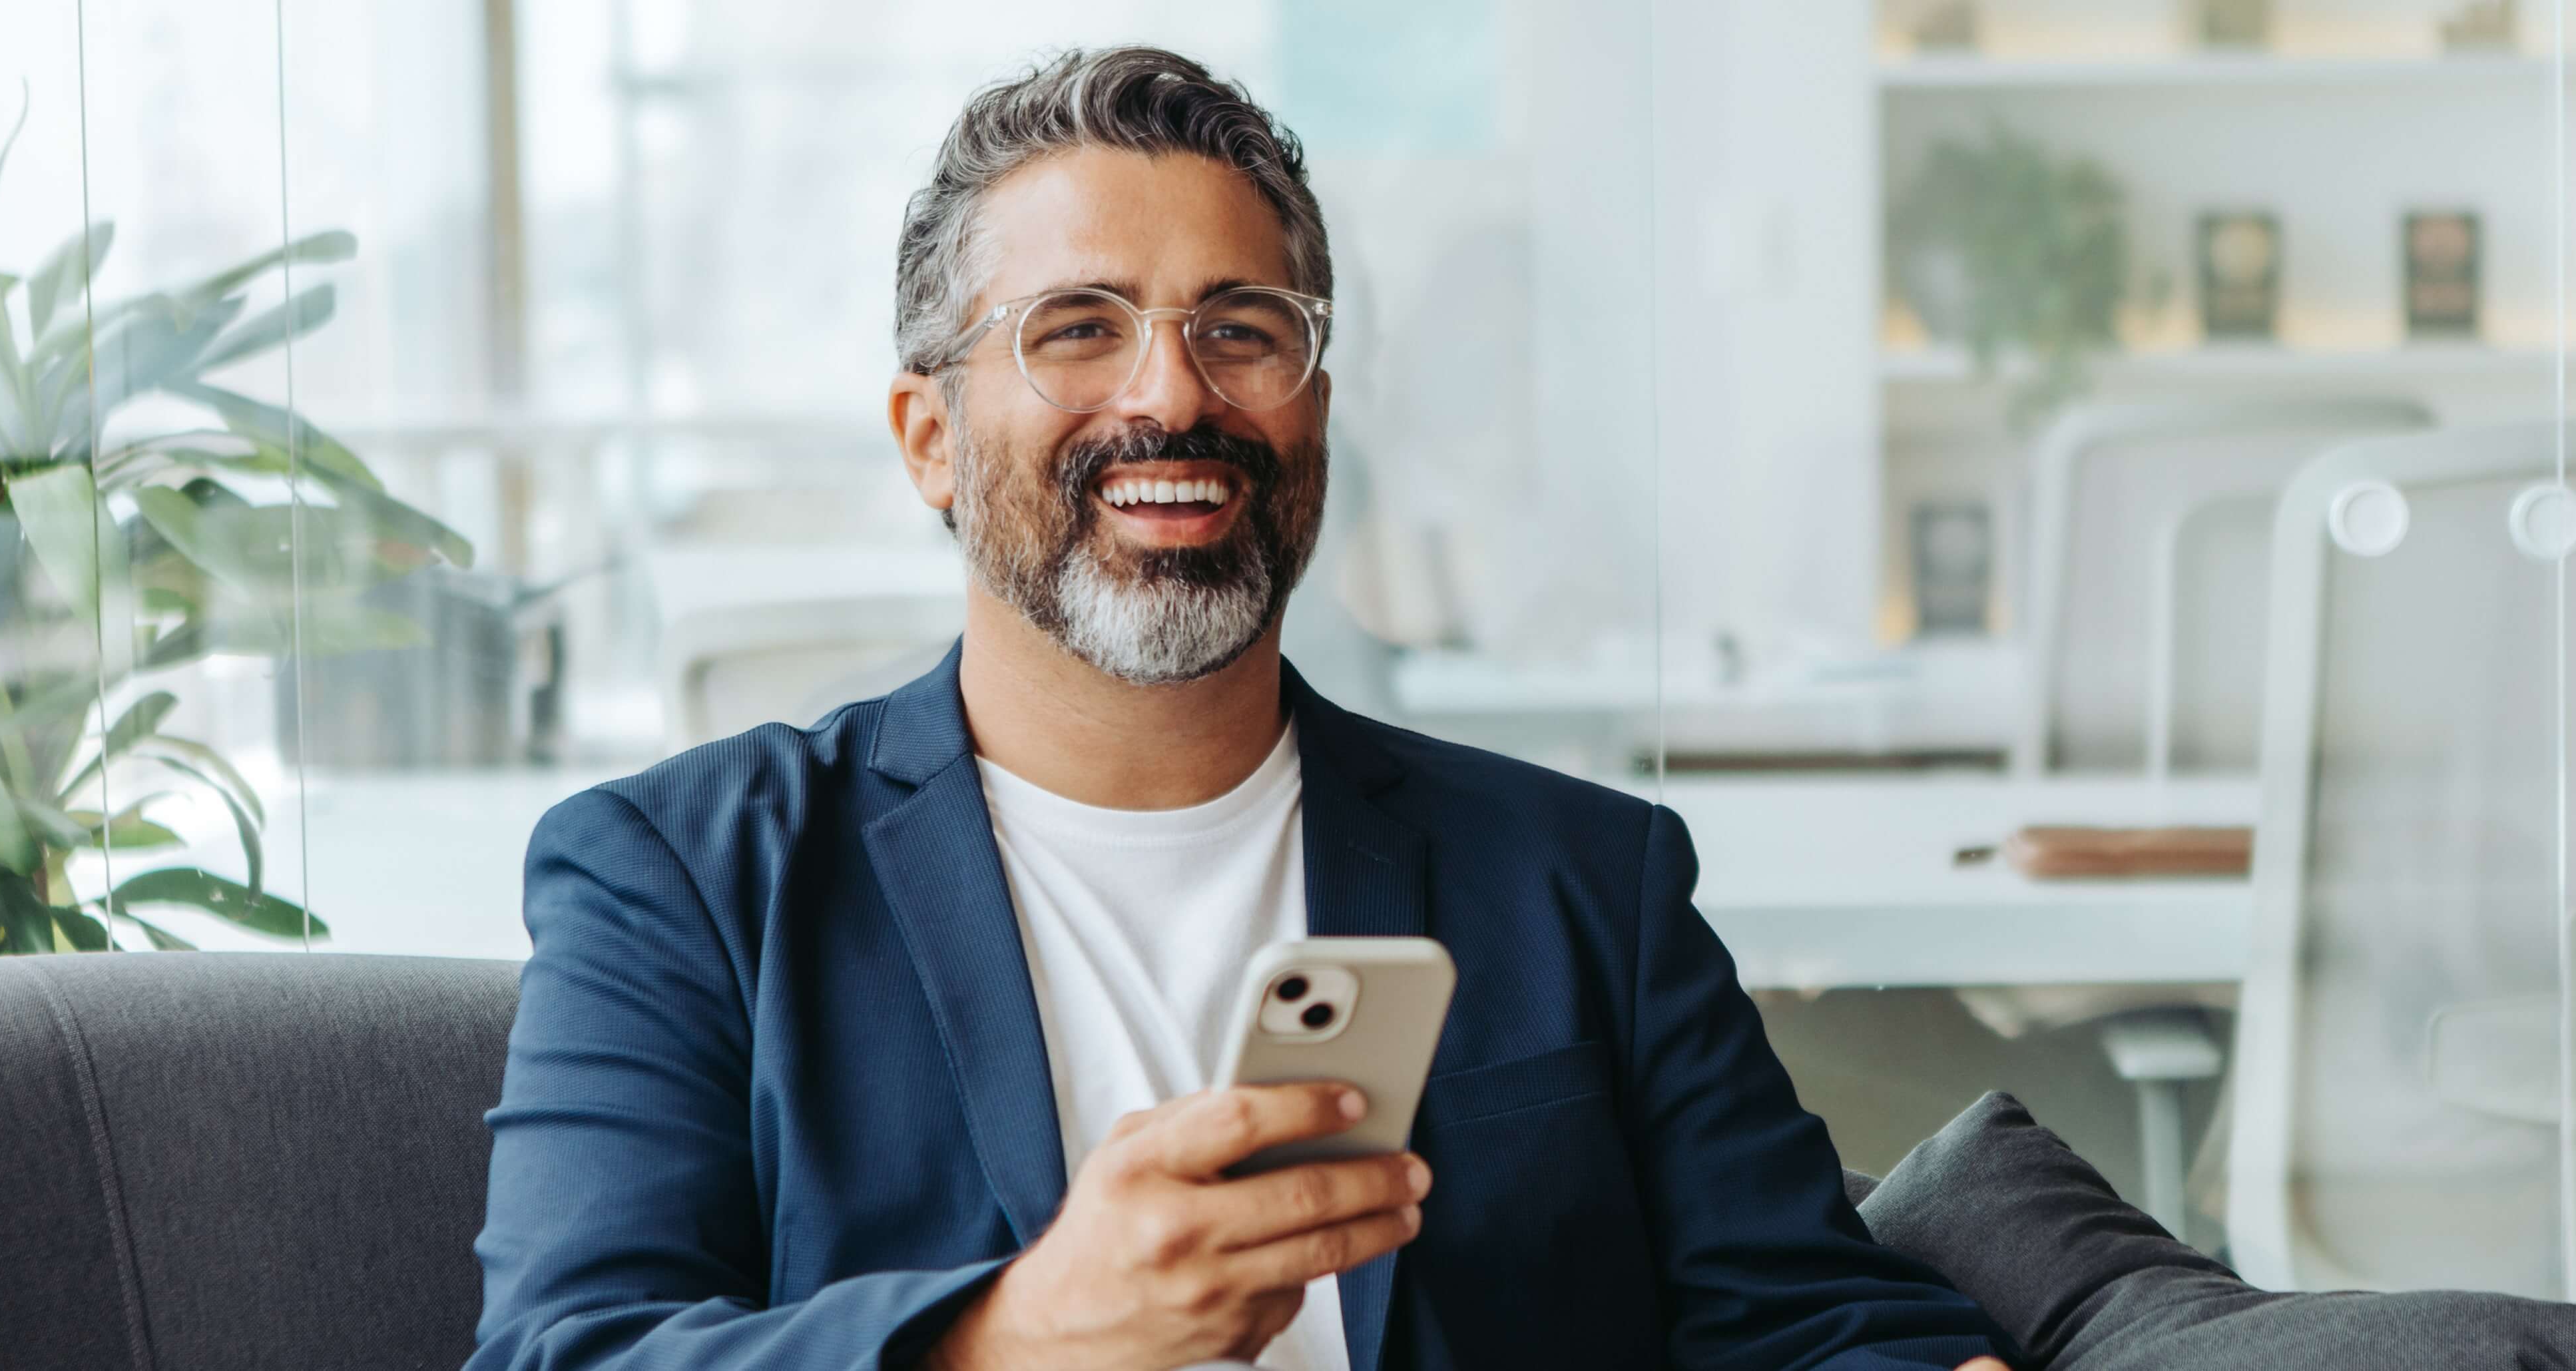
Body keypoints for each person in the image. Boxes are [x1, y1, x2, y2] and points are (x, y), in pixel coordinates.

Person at [469, 45, 2018, 1371]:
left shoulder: (1584, 883)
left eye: (1242, 328)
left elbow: (1816, 1319)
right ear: (930, 439)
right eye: (1078, 326)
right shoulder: (679, 880)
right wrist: (1020, 1332)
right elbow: (569, 1351)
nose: (1172, 394)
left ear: (1314, 412)